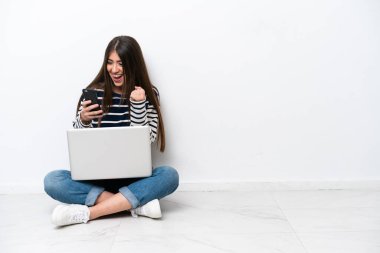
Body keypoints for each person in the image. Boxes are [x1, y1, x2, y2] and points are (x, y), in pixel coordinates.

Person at [44, 36, 179, 226]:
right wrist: (83, 120)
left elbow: (147, 138)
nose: (114, 70)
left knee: (170, 175)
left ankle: (89, 213)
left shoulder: (149, 94)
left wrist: (138, 104)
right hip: (98, 180)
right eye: (110, 63)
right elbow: (80, 143)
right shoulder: (94, 93)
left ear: (133, 65)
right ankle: (135, 205)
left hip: (135, 178)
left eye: (120, 63)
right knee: (53, 180)